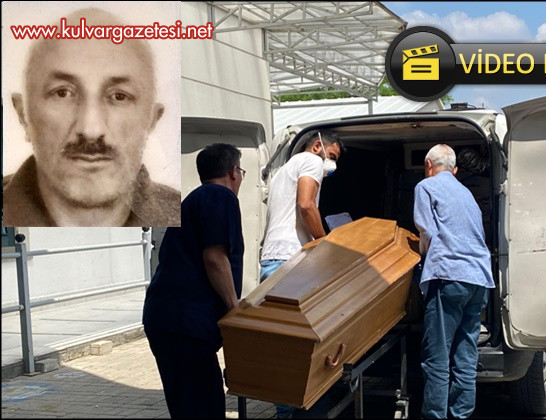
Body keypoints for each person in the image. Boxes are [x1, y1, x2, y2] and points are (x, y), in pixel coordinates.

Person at [3, 7, 180, 227]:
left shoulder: (180, 211)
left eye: (119, 96)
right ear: (23, 115)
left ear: (152, 119)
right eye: (62, 93)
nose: (91, 129)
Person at [142, 143, 244, 418]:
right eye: (241, 172)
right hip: (186, 323)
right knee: (203, 407)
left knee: (187, 405)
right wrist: (234, 307)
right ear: (233, 172)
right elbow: (215, 258)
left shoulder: (193, 200)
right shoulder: (221, 197)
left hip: (167, 318)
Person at [259, 130, 343, 418]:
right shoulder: (311, 162)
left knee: (281, 346)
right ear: (318, 146)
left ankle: (285, 411)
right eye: (332, 156)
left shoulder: (283, 170)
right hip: (292, 260)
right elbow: (306, 205)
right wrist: (324, 242)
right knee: (303, 345)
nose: (331, 164)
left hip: (272, 259)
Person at [413, 144, 495, 419]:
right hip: (479, 279)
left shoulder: (426, 187)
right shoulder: (466, 193)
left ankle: (435, 416)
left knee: (437, 357)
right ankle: (461, 414)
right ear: (455, 170)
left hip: (448, 276)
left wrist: (421, 258)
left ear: (428, 165)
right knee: (466, 355)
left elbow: (427, 231)